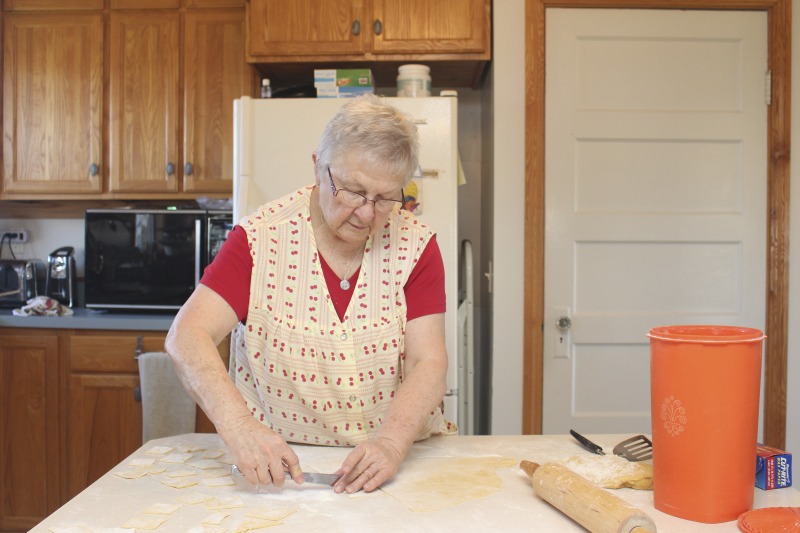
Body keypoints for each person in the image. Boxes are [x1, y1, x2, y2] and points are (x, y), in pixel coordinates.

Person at [165, 94, 456, 495]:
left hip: (395, 465)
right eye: (353, 191)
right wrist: (239, 427)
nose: (367, 214)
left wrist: (390, 443)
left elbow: (429, 361)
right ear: (319, 168)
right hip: (280, 469)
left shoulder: (417, 245)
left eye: (386, 198)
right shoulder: (260, 239)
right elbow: (186, 336)